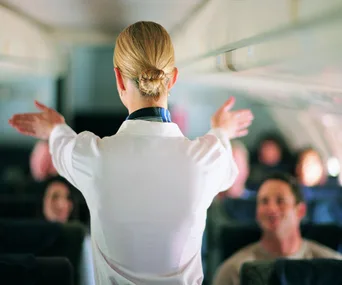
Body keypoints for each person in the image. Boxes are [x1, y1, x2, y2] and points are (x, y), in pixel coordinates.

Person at [8, 21, 253, 285]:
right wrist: (220, 130)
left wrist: (54, 128)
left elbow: (62, 142)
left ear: (118, 78)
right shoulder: (207, 159)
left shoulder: (92, 158)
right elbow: (226, 166)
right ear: (173, 78)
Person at [212, 172, 342, 285]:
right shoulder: (234, 271)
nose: (271, 209)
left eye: (280, 201)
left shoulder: (332, 267)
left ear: (300, 211)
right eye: (264, 202)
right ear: (257, 213)